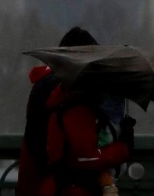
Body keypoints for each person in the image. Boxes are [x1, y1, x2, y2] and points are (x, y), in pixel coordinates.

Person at [16, 27, 135, 196]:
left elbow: (30, 147)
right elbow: (87, 157)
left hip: (42, 186)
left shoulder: (40, 89)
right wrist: (123, 147)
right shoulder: (73, 97)